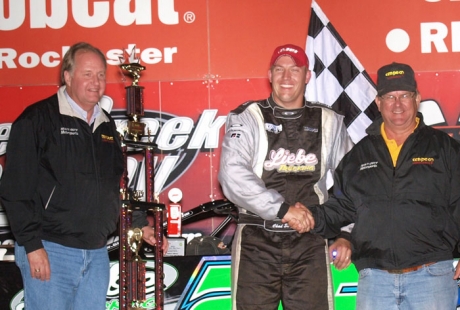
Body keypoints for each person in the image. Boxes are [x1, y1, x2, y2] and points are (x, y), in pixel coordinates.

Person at [0, 42, 167, 310]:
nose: (96, 82)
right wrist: (32, 246)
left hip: (96, 254)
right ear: (67, 76)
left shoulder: (106, 124)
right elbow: (14, 190)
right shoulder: (37, 120)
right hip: (51, 250)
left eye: (101, 74)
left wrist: (139, 224)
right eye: (87, 74)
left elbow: (116, 184)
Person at [305, 62, 460, 309]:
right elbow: (342, 206)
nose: (397, 104)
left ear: (417, 98)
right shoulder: (360, 154)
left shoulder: (445, 148)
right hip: (375, 280)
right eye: (389, 96)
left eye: (404, 96)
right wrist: (308, 216)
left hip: (432, 278)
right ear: (378, 103)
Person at [218, 44, 354, 310]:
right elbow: (231, 173)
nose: (286, 77)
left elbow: (351, 183)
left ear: (307, 76)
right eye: (279, 70)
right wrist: (282, 210)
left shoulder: (329, 120)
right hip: (256, 241)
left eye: (295, 70)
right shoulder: (247, 117)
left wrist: (347, 234)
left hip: (310, 240)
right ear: (269, 75)